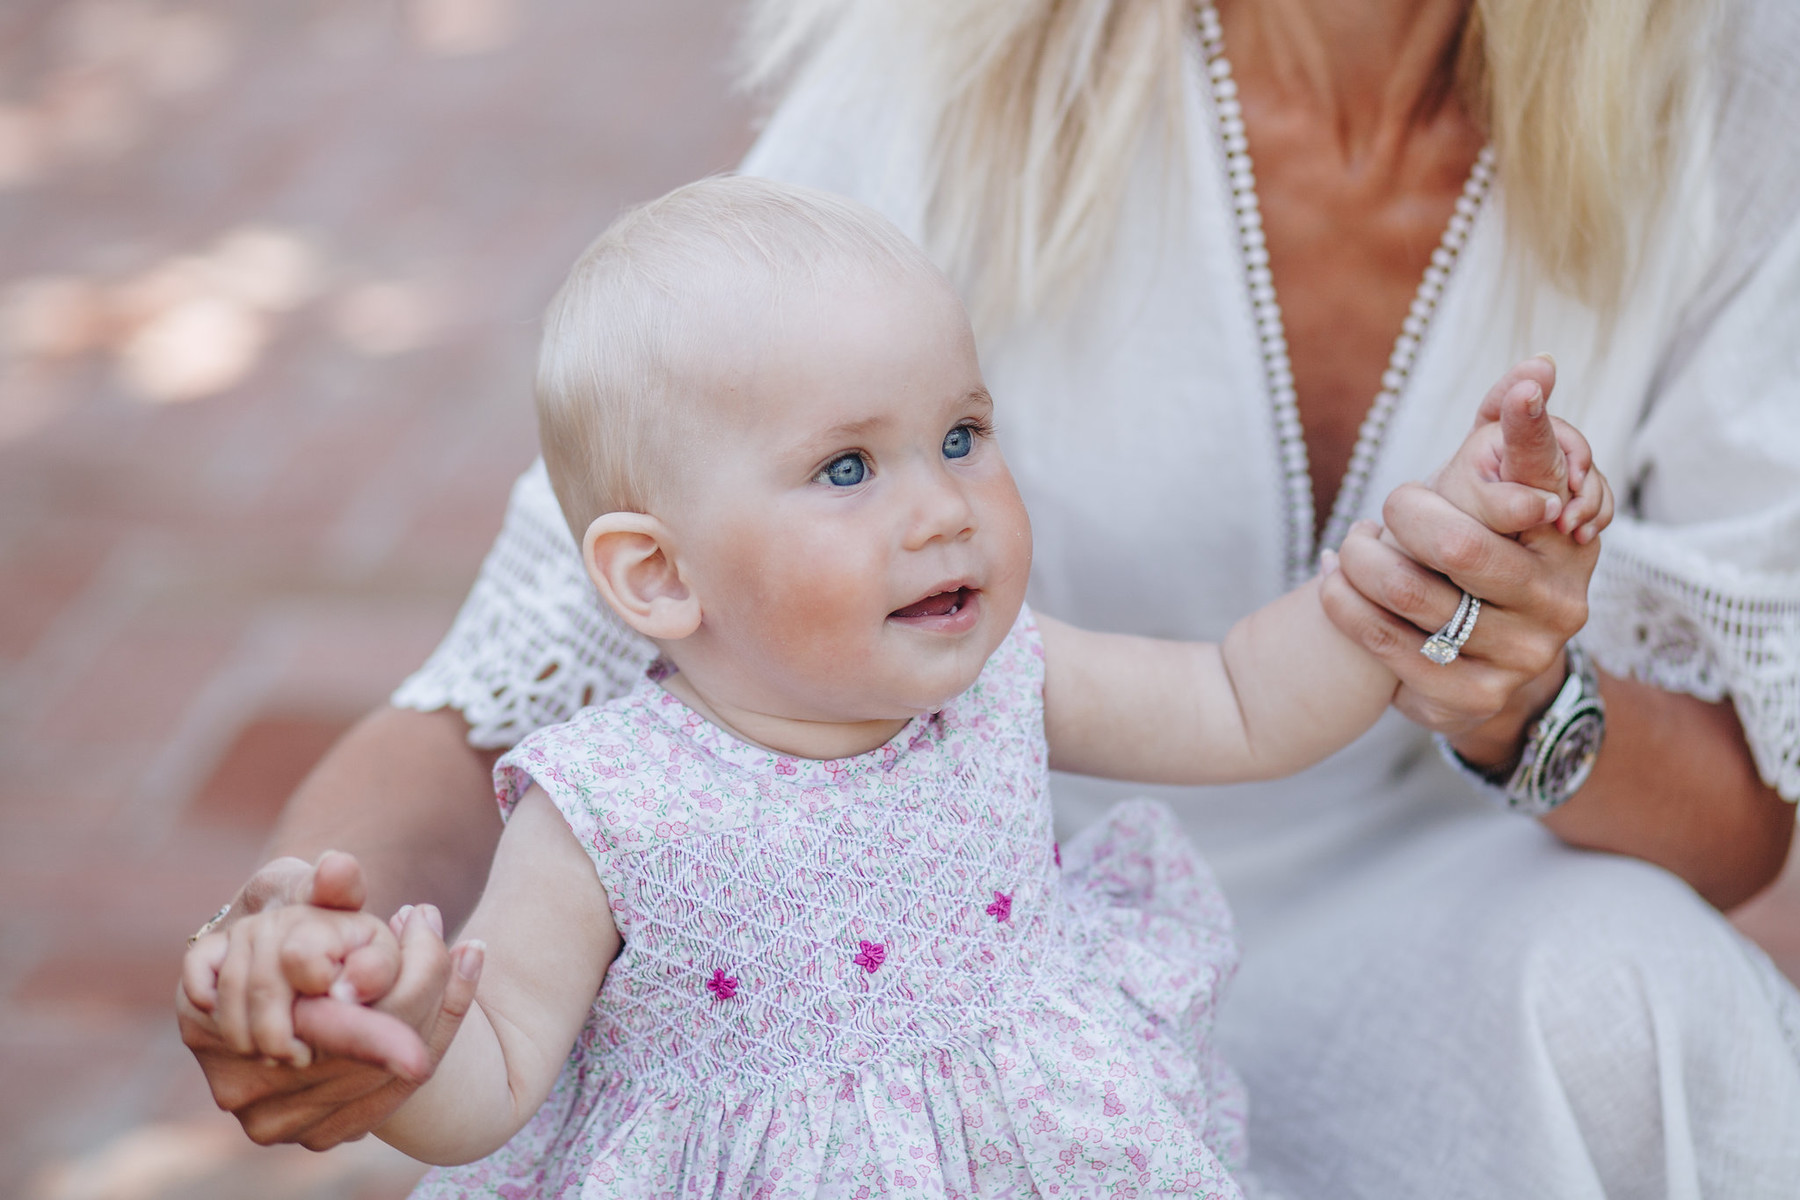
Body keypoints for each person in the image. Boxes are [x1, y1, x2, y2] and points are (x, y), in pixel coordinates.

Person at [179, 1, 1800, 1194]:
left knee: (1652, 995)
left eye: (968, 436)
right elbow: (485, 996)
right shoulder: (955, 57)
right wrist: (325, 982)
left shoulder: (1732, 87)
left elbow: (1254, 694)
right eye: (857, 468)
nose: (942, 503)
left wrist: (1463, 615)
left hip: (1266, 976)